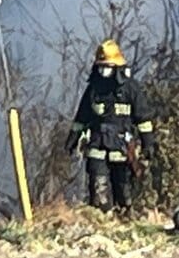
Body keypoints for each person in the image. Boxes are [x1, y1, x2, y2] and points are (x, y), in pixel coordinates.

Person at [63, 39, 156, 212]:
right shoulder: (93, 89)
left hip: (122, 150)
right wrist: (72, 140)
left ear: (117, 68)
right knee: (99, 193)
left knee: (124, 194)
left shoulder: (131, 89)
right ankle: (102, 218)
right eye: (101, 67)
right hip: (97, 147)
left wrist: (148, 143)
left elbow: (143, 119)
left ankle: (125, 216)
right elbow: (81, 118)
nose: (103, 71)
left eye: (107, 67)